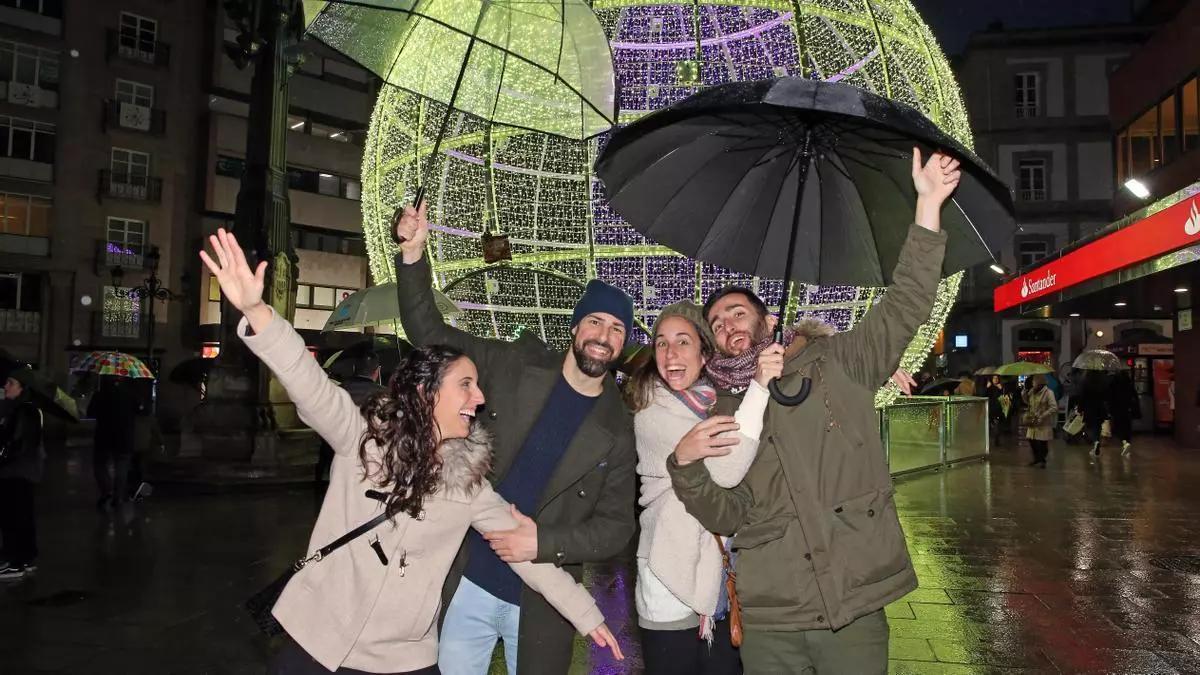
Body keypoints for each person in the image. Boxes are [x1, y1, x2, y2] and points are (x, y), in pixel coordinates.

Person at [199, 229, 622, 675]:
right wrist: (257, 312)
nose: (479, 398)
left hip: (403, 658)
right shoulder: (364, 440)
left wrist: (587, 613)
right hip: (319, 640)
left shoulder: (470, 484)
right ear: (426, 393)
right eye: (466, 385)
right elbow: (310, 384)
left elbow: (524, 554)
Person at [665, 148, 961, 673]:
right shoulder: (724, 412)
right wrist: (684, 468)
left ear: (768, 319)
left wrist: (929, 204)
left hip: (853, 604)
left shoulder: (840, 362)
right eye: (717, 322)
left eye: (738, 312)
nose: (729, 324)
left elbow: (906, 304)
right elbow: (725, 513)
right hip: (771, 615)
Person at [392, 204, 637, 675]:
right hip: (466, 577)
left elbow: (616, 526)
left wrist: (544, 542)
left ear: (622, 344)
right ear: (574, 327)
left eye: (616, 328)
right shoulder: (512, 364)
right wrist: (415, 256)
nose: (603, 336)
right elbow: (430, 334)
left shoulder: (618, 428)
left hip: (543, 597)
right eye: (595, 322)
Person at [624, 301, 766, 675]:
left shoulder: (715, 403)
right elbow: (729, 468)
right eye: (661, 343)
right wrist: (760, 387)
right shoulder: (651, 411)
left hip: (715, 580)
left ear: (705, 354)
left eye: (683, 341)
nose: (670, 353)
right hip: (671, 579)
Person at [0, 368, 45, 581]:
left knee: (13, 516)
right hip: (24, 470)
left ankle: (14, 561)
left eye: (10, 383)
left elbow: (15, 444)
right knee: (23, 515)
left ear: (22, 388)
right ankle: (25, 558)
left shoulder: (22, 411)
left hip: (15, 471)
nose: (5, 386)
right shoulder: (26, 409)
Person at [316, 350, 384, 486]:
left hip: (338, 453)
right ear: (377, 371)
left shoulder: (338, 391)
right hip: (371, 458)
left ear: (354, 368)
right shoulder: (384, 396)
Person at [88, 375, 143, 511]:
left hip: (103, 436)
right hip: (124, 437)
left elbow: (90, 413)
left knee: (100, 465)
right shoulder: (130, 395)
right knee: (122, 467)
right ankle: (117, 497)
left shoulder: (99, 395)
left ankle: (106, 491)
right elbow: (143, 410)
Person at [1022, 374, 1057, 467]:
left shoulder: (1049, 393)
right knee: (1031, 440)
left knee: (1042, 442)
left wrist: (1043, 415)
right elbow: (1027, 402)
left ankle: (1042, 460)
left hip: (1043, 422)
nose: (1033, 384)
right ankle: (1037, 458)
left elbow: (1053, 407)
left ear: (1040, 383)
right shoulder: (1031, 392)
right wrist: (1024, 393)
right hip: (1033, 421)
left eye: (1034, 382)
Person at [1077, 369, 1109, 457]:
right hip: (1100, 408)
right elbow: (1106, 395)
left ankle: (1095, 442)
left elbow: (1082, 397)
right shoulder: (1103, 382)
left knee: (1090, 426)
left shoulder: (1085, 382)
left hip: (1089, 408)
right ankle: (1097, 441)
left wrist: (1080, 409)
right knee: (1098, 426)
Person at [1107, 370, 1139, 456]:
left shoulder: (1113, 385)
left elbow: (1110, 398)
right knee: (1127, 426)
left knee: (1118, 427)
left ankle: (1124, 442)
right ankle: (1127, 441)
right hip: (1127, 409)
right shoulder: (1129, 385)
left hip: (1117, 409)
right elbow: (1135, 397)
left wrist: (1110, 410)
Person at [985, 374, 1007, 446]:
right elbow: (985, 396)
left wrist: (1001, 389)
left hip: (998, 409)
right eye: (994, 378)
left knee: (997, 424)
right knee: (991, 424)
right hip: (990, 409)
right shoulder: (989, 387)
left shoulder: (1001, 387)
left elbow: (1004, 398)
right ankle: (990, 438)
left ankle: (996, 438)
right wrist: (987, 388)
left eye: (997, 378)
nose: (996, 380)